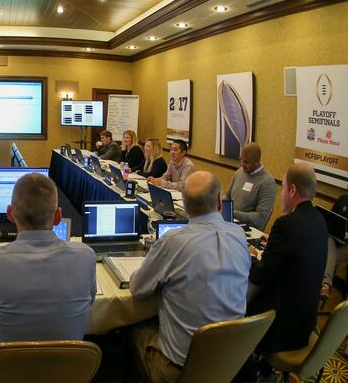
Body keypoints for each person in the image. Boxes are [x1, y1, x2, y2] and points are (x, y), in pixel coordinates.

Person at [129, 171, 250, 382]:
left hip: (178, 371)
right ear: (220, 203)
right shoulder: (239, 235)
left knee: (129, 330)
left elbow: (138, 289)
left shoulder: (172, 241)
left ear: (184, 207)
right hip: (229, 364)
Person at [0, 173, 96, 342]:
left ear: (10, 214)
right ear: (58, 216)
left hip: (7, 366)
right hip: (68, 367)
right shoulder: (86, 257)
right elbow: (90, 299)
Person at [248, 164, 327, 355]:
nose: (281, 194)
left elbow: (260, 275)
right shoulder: (320, 220)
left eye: (283, 188)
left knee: (232, 304)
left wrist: (248, 254)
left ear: (292, 190)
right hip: (305, 321)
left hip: (280, 328)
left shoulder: (285, 224)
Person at [224, 143, 277, 231]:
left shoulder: (267, 182)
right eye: (241, 160)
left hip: (248, 230)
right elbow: (227, 196)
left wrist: (233, 213)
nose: (242, 164)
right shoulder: (239, 172)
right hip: (230, 224)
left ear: (257, 161)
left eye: (246, 162)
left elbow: (261, 218)